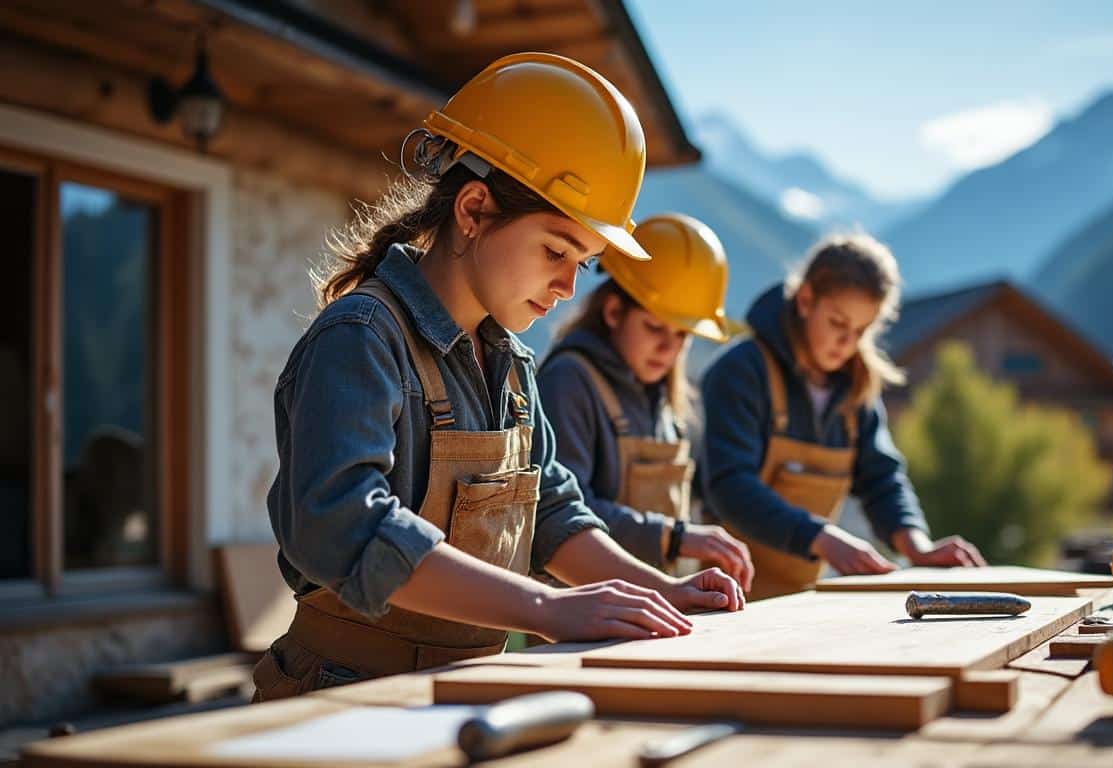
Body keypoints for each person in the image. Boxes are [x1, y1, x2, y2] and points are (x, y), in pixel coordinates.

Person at [253, 53, 743, 703]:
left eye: (583, 262)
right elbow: (343, 525)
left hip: (464, 691)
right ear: (475, 209)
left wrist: (660, 587)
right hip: (341, 699)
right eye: (556, 250)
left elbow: (553, 515)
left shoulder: (510, 363)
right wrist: (545, 607)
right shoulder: (361, 339)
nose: (569, 286)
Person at [700, 233, 985, 600]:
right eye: (837, 323)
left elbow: (882, 479)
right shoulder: (740, 372)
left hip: (803, 599)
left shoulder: (855, 387)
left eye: (861, 331)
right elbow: (730, 487)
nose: (847, 344)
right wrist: (822, 538)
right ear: (805, 300)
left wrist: (916, 545)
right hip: (728, 599)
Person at [538, 214, 754, 591]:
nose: (668, 348)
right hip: (582, 617)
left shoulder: (668, 401)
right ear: (614, 312)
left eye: (682, 335)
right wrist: (674, 536)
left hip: (657, 605)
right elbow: (562, 510)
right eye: (654, 328)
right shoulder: (569, 381)